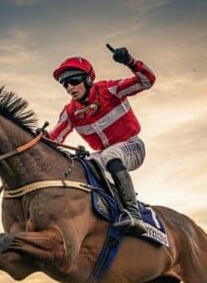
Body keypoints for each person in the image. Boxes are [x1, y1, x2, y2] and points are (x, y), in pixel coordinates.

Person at [49, 44, 156, 235]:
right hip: (102, 155)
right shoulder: (70, 112)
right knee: (84, 165)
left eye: (73, 81)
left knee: (109, 155)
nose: (69, 87)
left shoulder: (110, 90)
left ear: (88, 79)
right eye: (64, 84)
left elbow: (147, 81)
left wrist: (130, 62)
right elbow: (53, 138)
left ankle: (133, 215)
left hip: (132, 146)